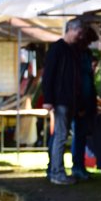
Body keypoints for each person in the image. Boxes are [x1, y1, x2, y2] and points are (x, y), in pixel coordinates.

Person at [42, 18, 84, 185]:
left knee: (61, 136)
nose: (80, 36)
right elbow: (48, 75)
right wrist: (48, 99)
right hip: (60, 101)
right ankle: (56, 172)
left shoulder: (71, 50)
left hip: (67, 100)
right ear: (71, 29)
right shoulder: (58, 49)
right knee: (60, 137)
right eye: (79, 33)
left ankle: (56, 171)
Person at [71, 26, 99, 181]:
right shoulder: (80, 56)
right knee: (79, 135)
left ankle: (79, 166)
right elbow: (80, 82)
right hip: (82, 102)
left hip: (86, 101)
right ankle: (77, 166)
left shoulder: (83, 55)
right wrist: (81, 104)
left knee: (81, 135)